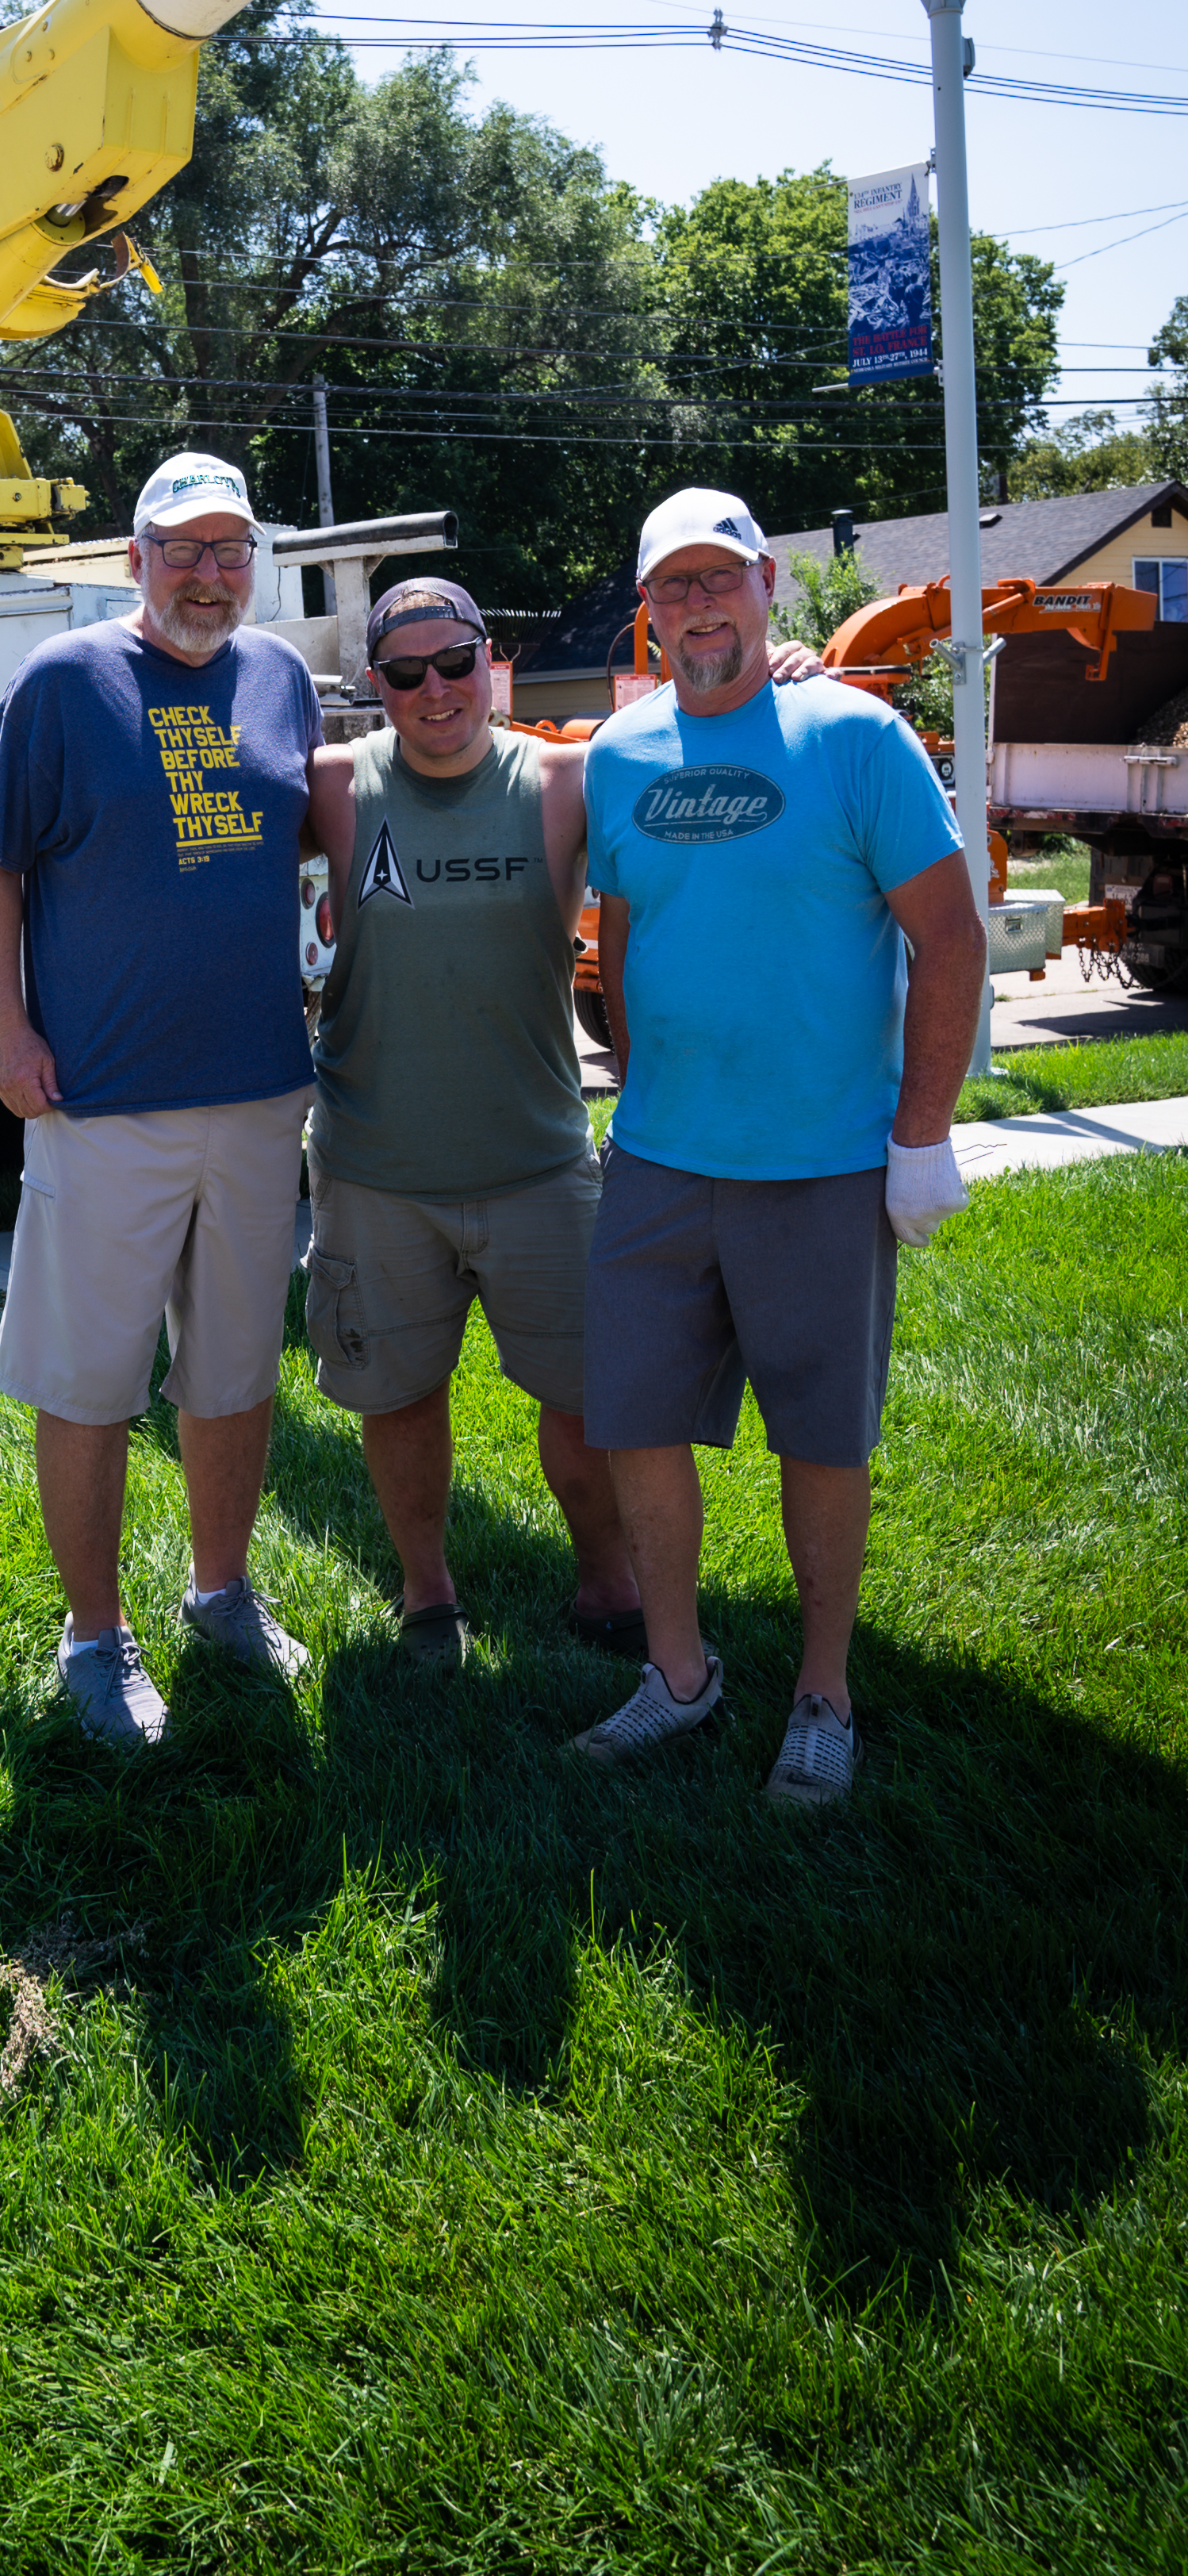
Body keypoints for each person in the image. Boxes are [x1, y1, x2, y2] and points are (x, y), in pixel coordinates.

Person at [301, 577, 826, 1670]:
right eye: (406, 672)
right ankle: (427, 1591)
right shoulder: (335, 787)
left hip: (539, 1162)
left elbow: (710, 759)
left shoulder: (570, 779)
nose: (435, 689)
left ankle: (606, 1580)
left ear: (492, 660)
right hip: (374, 1164)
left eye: (456, 664)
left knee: (594, 1404)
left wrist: (778, 682)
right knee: (399, 1401)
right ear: (377, 684)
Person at [574, 486, 987, 1805]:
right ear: (651, 610)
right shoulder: (622, 755)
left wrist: (920, 1139)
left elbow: (953, 938)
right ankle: (680, 1676)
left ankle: (824, 1694)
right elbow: (626, 928)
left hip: (822, 1165)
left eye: (721, 580)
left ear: (765, 588)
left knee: (823, 1439)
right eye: (674, 588)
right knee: (634, 1416)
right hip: (658, 1162)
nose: (699, 607)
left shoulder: (855, 735)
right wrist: (639, 1085)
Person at [0, 451, 326, 1746]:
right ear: (135, 560)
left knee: (232, 1370)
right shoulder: (64, 684)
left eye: (231, 550)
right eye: (183, 549)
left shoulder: (282, 677)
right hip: (103, 1098)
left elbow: (325, 832)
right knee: (93, 1380)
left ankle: (220, 1592)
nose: (209, 573)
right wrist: (10, 1035)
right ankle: (94, 1639)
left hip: (257, 1091)